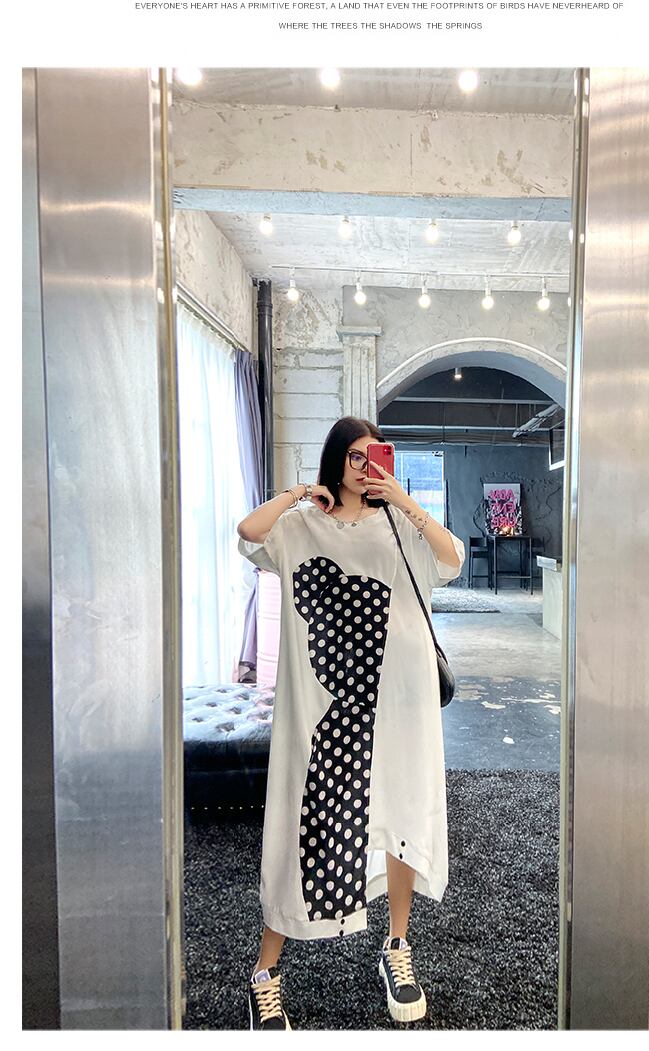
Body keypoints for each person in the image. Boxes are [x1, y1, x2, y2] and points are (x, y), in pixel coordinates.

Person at [237, 416, 465, 1029]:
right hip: (326, 711)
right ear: (336, 460)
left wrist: (404, 500)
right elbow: (248, 531)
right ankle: (265, 971)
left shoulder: (399, 523)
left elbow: (450, 558)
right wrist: (297, 494)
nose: (367, 467)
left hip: (401, 701)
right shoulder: (300, 526)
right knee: (307, 825)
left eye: (376, 456)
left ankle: (397, 945)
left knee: (401, 813)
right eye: (356, 457)